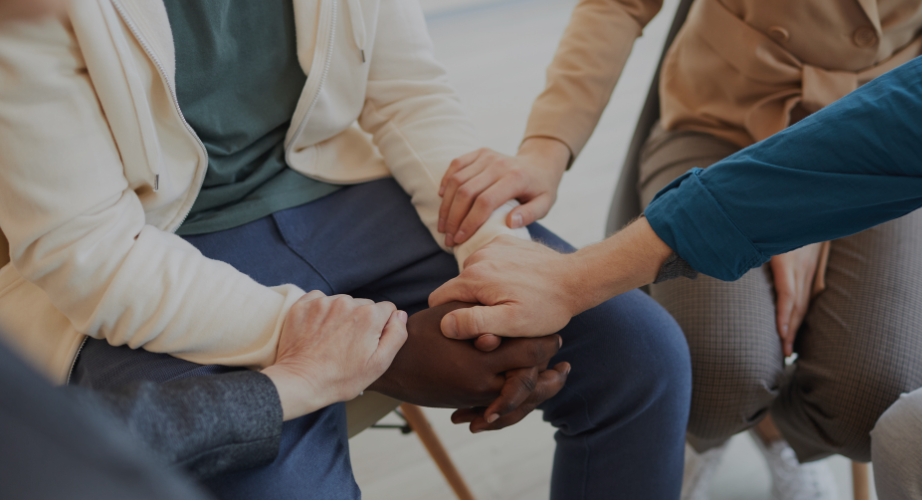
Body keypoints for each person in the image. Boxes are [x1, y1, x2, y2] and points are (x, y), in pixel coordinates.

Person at [0, 2, 691, 499]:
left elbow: (406, 97)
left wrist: (492, 257)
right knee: (272, 482)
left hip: (339, 190)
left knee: (641, 353)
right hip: (149, 253)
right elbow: (88, 248)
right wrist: (376, 351)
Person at [434, 0, 922, 496]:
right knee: (714, 382)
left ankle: (773, 430)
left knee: (867, 403)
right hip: (725, 113)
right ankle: (716, 432)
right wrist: (545, 149)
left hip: (894, 136)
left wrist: (809, 210)